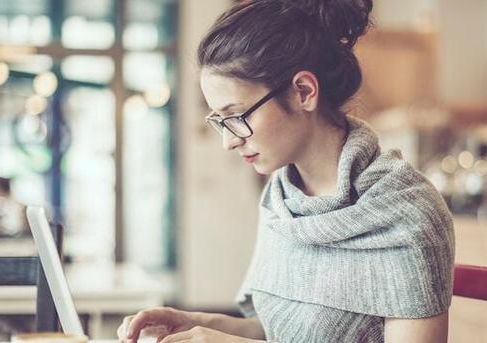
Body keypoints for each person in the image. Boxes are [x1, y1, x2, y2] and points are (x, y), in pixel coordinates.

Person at [118, 0, 454, 342]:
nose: (229, 142)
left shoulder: (408, 214)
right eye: (220, 121)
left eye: (237, 116)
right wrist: (197, 323)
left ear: (303, 92)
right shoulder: (282, 198)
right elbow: (281, 332)